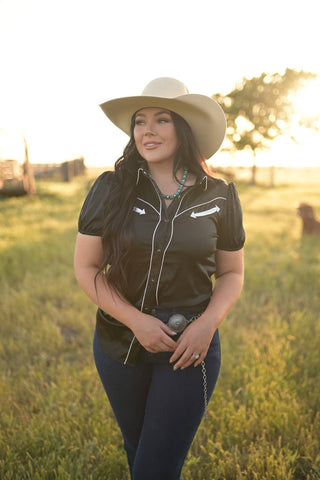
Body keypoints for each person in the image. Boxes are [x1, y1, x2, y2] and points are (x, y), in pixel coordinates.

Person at [74, 77, 245, 480]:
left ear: (183, 128)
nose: (147, 130)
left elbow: (232, 272)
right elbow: (86, 268)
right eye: (140, 121)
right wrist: (135, 321)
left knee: (156, 467)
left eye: (161, 119)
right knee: (140, 453)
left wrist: (208, 324)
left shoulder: (219, 195)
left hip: (189, 347)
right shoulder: (112, 187)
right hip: (119, 343)